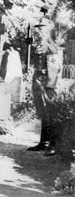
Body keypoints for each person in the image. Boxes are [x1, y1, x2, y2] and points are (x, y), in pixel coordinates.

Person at [27, 14, 60, 156]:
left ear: (48, 30)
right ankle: (43, 142)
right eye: (37, 29)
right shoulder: (39, 44)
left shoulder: (51, 47)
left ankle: (53, 144)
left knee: (50, 112)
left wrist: (50, 86)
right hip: (38, 79)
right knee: (42, 111)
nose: (38, 31)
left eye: (41, 29)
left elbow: (54, 68)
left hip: (47, 81)